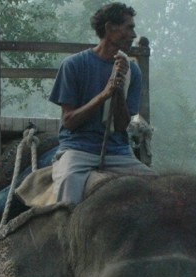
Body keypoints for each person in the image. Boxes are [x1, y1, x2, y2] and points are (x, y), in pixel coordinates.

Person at [48, 2, 154, 203]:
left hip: (119, 152)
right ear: (109, 29)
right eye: (129, 27)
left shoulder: (133, 72)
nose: (133, 34)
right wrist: (103, 95)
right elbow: (69, 121)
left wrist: (119, 89)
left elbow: (122, 126)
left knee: (157, 189)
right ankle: (65, 234)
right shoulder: (74, 65)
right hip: (79, 150)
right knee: (68, 188)